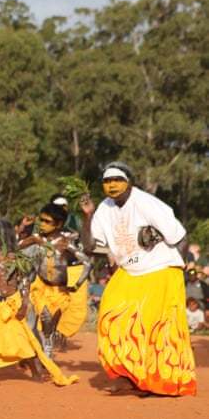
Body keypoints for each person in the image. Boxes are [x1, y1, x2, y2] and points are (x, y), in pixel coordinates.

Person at [80, 162, 197, 396]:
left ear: (129, 181)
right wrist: (87, 215)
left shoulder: (146, 203)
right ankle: (128, 375)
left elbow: (180, 236)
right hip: (129, 271)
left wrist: (177, 275)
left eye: (117, 180)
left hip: (160, 268)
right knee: (109, 317)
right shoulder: (104, 207)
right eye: (107, 181)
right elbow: (90, 246)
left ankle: (158, 381)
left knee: (153, 327)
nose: (112, 185)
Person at [0, 219, 79, 387]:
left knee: (22, 341)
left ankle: (37, 373)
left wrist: (24, 305)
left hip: (13, 303)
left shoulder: (13, 256)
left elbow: (24, 281)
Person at [19, 203, 92, 357]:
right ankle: (37, 354)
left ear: (58, 224)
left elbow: (86, 262)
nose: (43, 224)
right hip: (40, 287)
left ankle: (46, 353)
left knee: (49, 326)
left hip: (59, 291)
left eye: (47, 222)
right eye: (41, 220)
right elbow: (16, 248)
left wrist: (76, 285)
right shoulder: (36, 238)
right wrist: (23, 232)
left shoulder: (66, 242)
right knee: (39, 320)